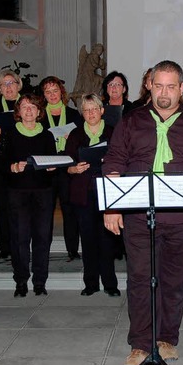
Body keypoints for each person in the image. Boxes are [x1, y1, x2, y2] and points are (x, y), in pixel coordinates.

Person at [103, 60, 183, 365]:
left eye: (171, 86)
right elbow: (113, 163)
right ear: (149, 85)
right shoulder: (131, 121)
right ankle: (141, 344)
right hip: (138, 218)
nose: (164, 92)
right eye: (158, 85)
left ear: (182, 89)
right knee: (140, 279)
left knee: (174, 281)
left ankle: (167, 339)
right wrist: (111, 206)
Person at [1, 93, 56, 297]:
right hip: (18, 192)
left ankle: (40, 282)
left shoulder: (47, 135)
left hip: (43, 192)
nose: (29, 110)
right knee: (19, 238)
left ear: (39, 111)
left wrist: (52, 168)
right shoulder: (10, 134)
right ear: (18, 111)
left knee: (43, 237)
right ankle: (21, 281)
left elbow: (53, 161)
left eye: (33, 106)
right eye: (24, 106)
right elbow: (0, 164)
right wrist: (13, 167)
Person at [65, 94, 119, 297]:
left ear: (102, 110)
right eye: (86, 110)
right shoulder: (75, 134)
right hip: (83, 193)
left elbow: (122, 159)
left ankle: (110, 284)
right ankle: (91, 284)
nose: (90, 113)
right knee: (87, 241)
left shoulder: (113, 133)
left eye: (94, 109)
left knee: (107, 241)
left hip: (107, 192)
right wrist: (74, 169)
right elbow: (66, 165)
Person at [39, 76, 83, 261]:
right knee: (45, 213)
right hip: (47, 170)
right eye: (48, 92)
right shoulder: (39, 116)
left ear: (61, 93)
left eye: (55, 91)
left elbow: (81, 141)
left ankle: (72, 250)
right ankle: (43, 250)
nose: (52, 95)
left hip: (67, 169)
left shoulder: (73, 115)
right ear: (43, 96)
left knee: (69, 211)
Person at [0, 69, 23, 260]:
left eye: (12, 83)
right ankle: (5, 247)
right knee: (2, 206)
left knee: (21, 207)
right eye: (4, 84)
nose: (8, 87)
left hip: (20, 161)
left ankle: (21, 244)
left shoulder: (26, 104)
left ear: (19, 85)